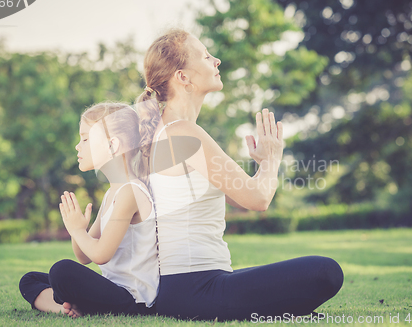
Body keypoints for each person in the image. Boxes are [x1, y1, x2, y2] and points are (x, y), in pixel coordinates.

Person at [136, 29, 344, 321]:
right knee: (325, 272)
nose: (216, 60)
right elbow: (258, 199)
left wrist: (260, 168)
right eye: (206, 56)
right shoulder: (183, 132)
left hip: (192, 287)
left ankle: (275, 312)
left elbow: (237, 198)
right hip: (195, 289)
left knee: (295, 277)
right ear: (183, 77)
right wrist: (272, 159)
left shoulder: (169, 130)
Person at [19, 102, 158, 318]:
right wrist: (79, 230)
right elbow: (84, 256)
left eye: (85, 139)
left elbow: (100, 254)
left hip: (133, 299)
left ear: (112, 145)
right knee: (30, 280)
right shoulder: (113, 192)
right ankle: (69, 309)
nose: (78, 146)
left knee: (61, 271)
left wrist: (77, 231)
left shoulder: (130, 192)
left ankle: (77, 306)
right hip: (112, 289)